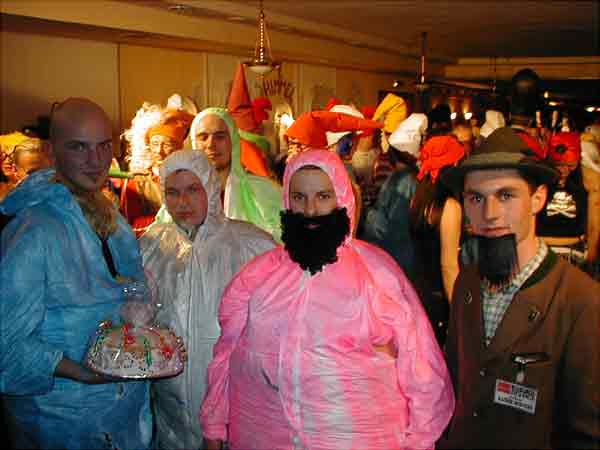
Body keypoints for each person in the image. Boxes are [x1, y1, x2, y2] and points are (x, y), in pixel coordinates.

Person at [200, 149, 454, 450]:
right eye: (299, 197)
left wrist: (421, 439)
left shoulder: (376, 275)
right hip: (264, 437)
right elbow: (226, 352)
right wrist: (214, 422)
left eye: (323, 196)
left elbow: (420, 361)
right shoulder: (259, 275)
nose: (310, 210)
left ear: (342, 198)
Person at [0, 98, 152, 449]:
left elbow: (122, 297)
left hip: (121, 414)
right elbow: (7, 347)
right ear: (51, 152)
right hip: (62, 421)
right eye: (79, 147)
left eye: (103, 145)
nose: (95, 161)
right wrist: (81, 371)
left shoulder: (108, 217)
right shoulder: (35, 231)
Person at [440, 126, 600, 449]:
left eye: (506, 196)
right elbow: (455, 386)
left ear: (537, 199)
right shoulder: (467, 284)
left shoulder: (580, 301)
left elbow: (585, 434)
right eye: (476, 198)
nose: (490, 214)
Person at [138, 149, 274, 449]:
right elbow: (137, 315)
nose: (182, 202)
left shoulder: (250, 246)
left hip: (233, 406)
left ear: (210, 189)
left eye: (192, 190)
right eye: (172, 193)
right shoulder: (151, 247)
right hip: (170, 408)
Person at [191, 107, 283, 241]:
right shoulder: (182, 197)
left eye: (220, 137)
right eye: (203, 138)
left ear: (233, 141)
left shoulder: (265, 193)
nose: (210, 144)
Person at [121, 103, 194, 235]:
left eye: (167, 144)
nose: (159, 150)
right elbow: (129, 227)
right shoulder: (137, 182)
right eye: (155, 144)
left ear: (179, 148)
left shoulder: (192, 179)